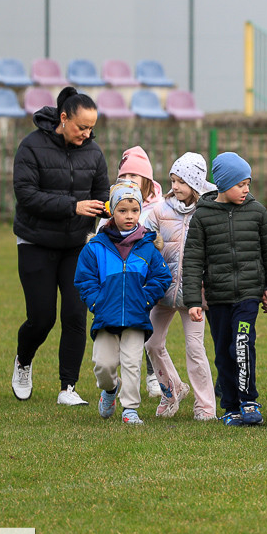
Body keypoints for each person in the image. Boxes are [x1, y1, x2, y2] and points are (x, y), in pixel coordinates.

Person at [11, 86, 109, 406]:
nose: (87, 133)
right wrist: (73, 206)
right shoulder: (31, 147)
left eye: (92, 127)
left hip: (77, 246)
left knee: (75, 315)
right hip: (36, 242)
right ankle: (24, 362)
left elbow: (102, 196)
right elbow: (27, 195)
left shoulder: (93, 153)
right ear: (63, 119)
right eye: (82, 127)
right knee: (42, 318)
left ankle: (68, 387)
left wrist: (110, 209)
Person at [183, 152, 267, 426]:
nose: (246, 189)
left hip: (248, 296)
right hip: (217, 299)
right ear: (224, 184)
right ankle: (230, 406)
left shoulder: (257, 212)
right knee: (223, 352)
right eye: (240, 184)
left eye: (248, 183)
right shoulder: (202, 217)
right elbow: (192, 260)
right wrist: (193, 299)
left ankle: (249, 400)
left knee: (241, 345)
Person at [75, 181, 171, 425]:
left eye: (135, 210)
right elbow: (84, 279)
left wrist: (146, 298)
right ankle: (109, 390)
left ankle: (130, 410)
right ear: (112, 211)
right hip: (105, 316)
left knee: (132, 364)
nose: (129, 216)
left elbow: (161, 277)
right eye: (122, 210)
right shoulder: (96, 247)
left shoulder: (148, 247)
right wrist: (97, 302)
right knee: (103, 365)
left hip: (136, 317)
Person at [142, 152, 218, 420]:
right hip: (161, 292)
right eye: (173, 180)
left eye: (181, 182)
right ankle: (171, 390)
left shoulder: (208, 213)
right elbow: (143, 245)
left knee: (195, 349)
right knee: (151, 342)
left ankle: (206, 406)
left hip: (194, 296)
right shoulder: (158, 212)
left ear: (195, 184)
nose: (175, 187)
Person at [102, 145, 165, 399]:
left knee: (147, 330)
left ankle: (152, 375)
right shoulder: (111, 211)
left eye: (134, 177)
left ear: (147, 181)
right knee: (116, 333)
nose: (128, 182)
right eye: (123, 177)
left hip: (145, 282)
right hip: (117, 285)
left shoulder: (158, 208)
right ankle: (112, 379)